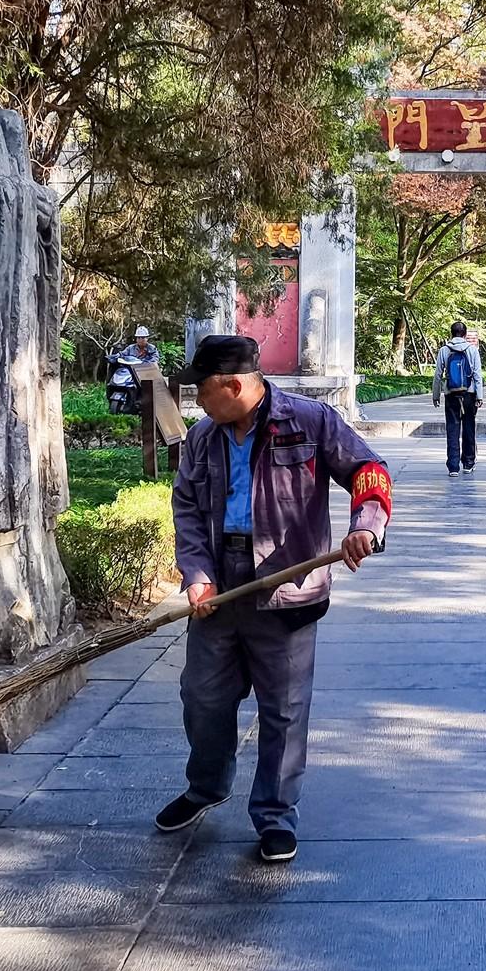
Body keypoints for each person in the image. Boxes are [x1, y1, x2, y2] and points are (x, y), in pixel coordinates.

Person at [159, 335, 393, 863]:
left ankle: (275, 815)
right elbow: (188, 508)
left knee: (284, 712)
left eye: (202, 392)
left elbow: (369, 472)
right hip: (219, 589)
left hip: (288, 588)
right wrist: (197, 574)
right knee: (202, 698)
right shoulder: (203, 438)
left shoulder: (309, 422)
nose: (198, 403)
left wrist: (367, 526)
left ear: (232, 385)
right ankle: (206, 787)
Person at [431, 321, 484, 475]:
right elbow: (477, 375)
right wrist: (479, 396)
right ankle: (468, 463)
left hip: (451, 394)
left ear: (451, 333)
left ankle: (453, 466)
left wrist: (436, 395)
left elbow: (438, 375)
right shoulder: (472, 350)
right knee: (469, 427)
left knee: (452, 428)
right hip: (469, 394)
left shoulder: (444, 350)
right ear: (465, 334)